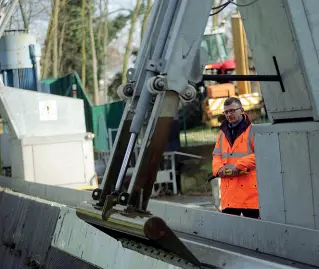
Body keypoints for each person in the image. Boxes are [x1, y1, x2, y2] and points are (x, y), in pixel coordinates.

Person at [212, 97, 259, 219]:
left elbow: (261, 155)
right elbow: (216, 155)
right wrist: (218, 169)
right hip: (230, 195)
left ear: (242, 110)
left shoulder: (253, 131)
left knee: (255, 231)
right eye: (226, 112)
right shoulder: (222, 133)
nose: (229, 114)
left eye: (232, 110)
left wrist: (239, 166)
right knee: (230, 232)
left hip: (250, 194)